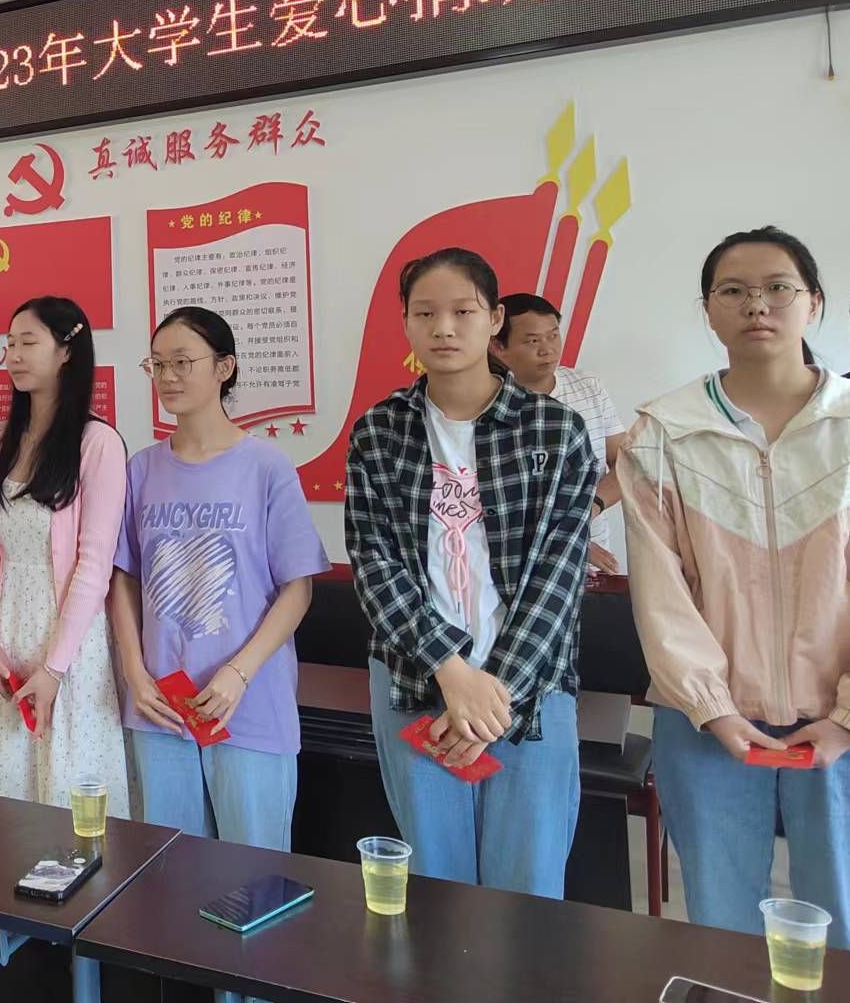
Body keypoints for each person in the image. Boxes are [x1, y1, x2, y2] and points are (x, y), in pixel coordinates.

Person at [619, 226, 850, 949]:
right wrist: (712, 708)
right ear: (709, 311)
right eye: (734, 291)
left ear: (813, 303)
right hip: (706, 727)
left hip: (841, 721)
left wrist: (845, 717)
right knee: (722, 926)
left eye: (779, 287)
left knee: (842, 915)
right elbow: (659, 591)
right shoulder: (665, 432)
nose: (758, 305)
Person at [346, 248, 596, 898]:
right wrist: (451, 672)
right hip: (415, 681)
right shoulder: (379, 431)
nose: (444, 328)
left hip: (530, 687)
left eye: (463, 311)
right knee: (436, 886)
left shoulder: (556, 430)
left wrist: (494, 693)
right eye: (425, 313)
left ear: (495, 319)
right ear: (406, 322)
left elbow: (559, 575)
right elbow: (374, 562)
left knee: (528, 888)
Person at [110, 307, 329, 852]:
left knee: (252, 872)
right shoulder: (142, 469)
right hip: (160, 708)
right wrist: (135, 672)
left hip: (247, 703)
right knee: (169, 872)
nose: (168, 376)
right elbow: (124, 579)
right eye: (157, 364)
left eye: (182, 362)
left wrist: (238, 674)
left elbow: (297, 588)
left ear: (224, 367)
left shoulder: (266, 466)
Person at [0, 297, 129, 814]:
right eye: (10, 344)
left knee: (69, 780)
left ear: (66, 351)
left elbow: (94, 564)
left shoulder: (97, 444)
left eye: (28, 342)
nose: (13, 355)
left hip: (71, 641)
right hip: (7, 636)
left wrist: (55, 667)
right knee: (10, 781)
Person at [491, 293, 631, 573]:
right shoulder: (487, 405)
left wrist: (589, 509)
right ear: (498, 346)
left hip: (592, 562)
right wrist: (565, 537)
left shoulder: (588, 386)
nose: (548, 350)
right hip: (518, 567)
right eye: (533, 341)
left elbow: (627, 462)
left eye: (553, 335)